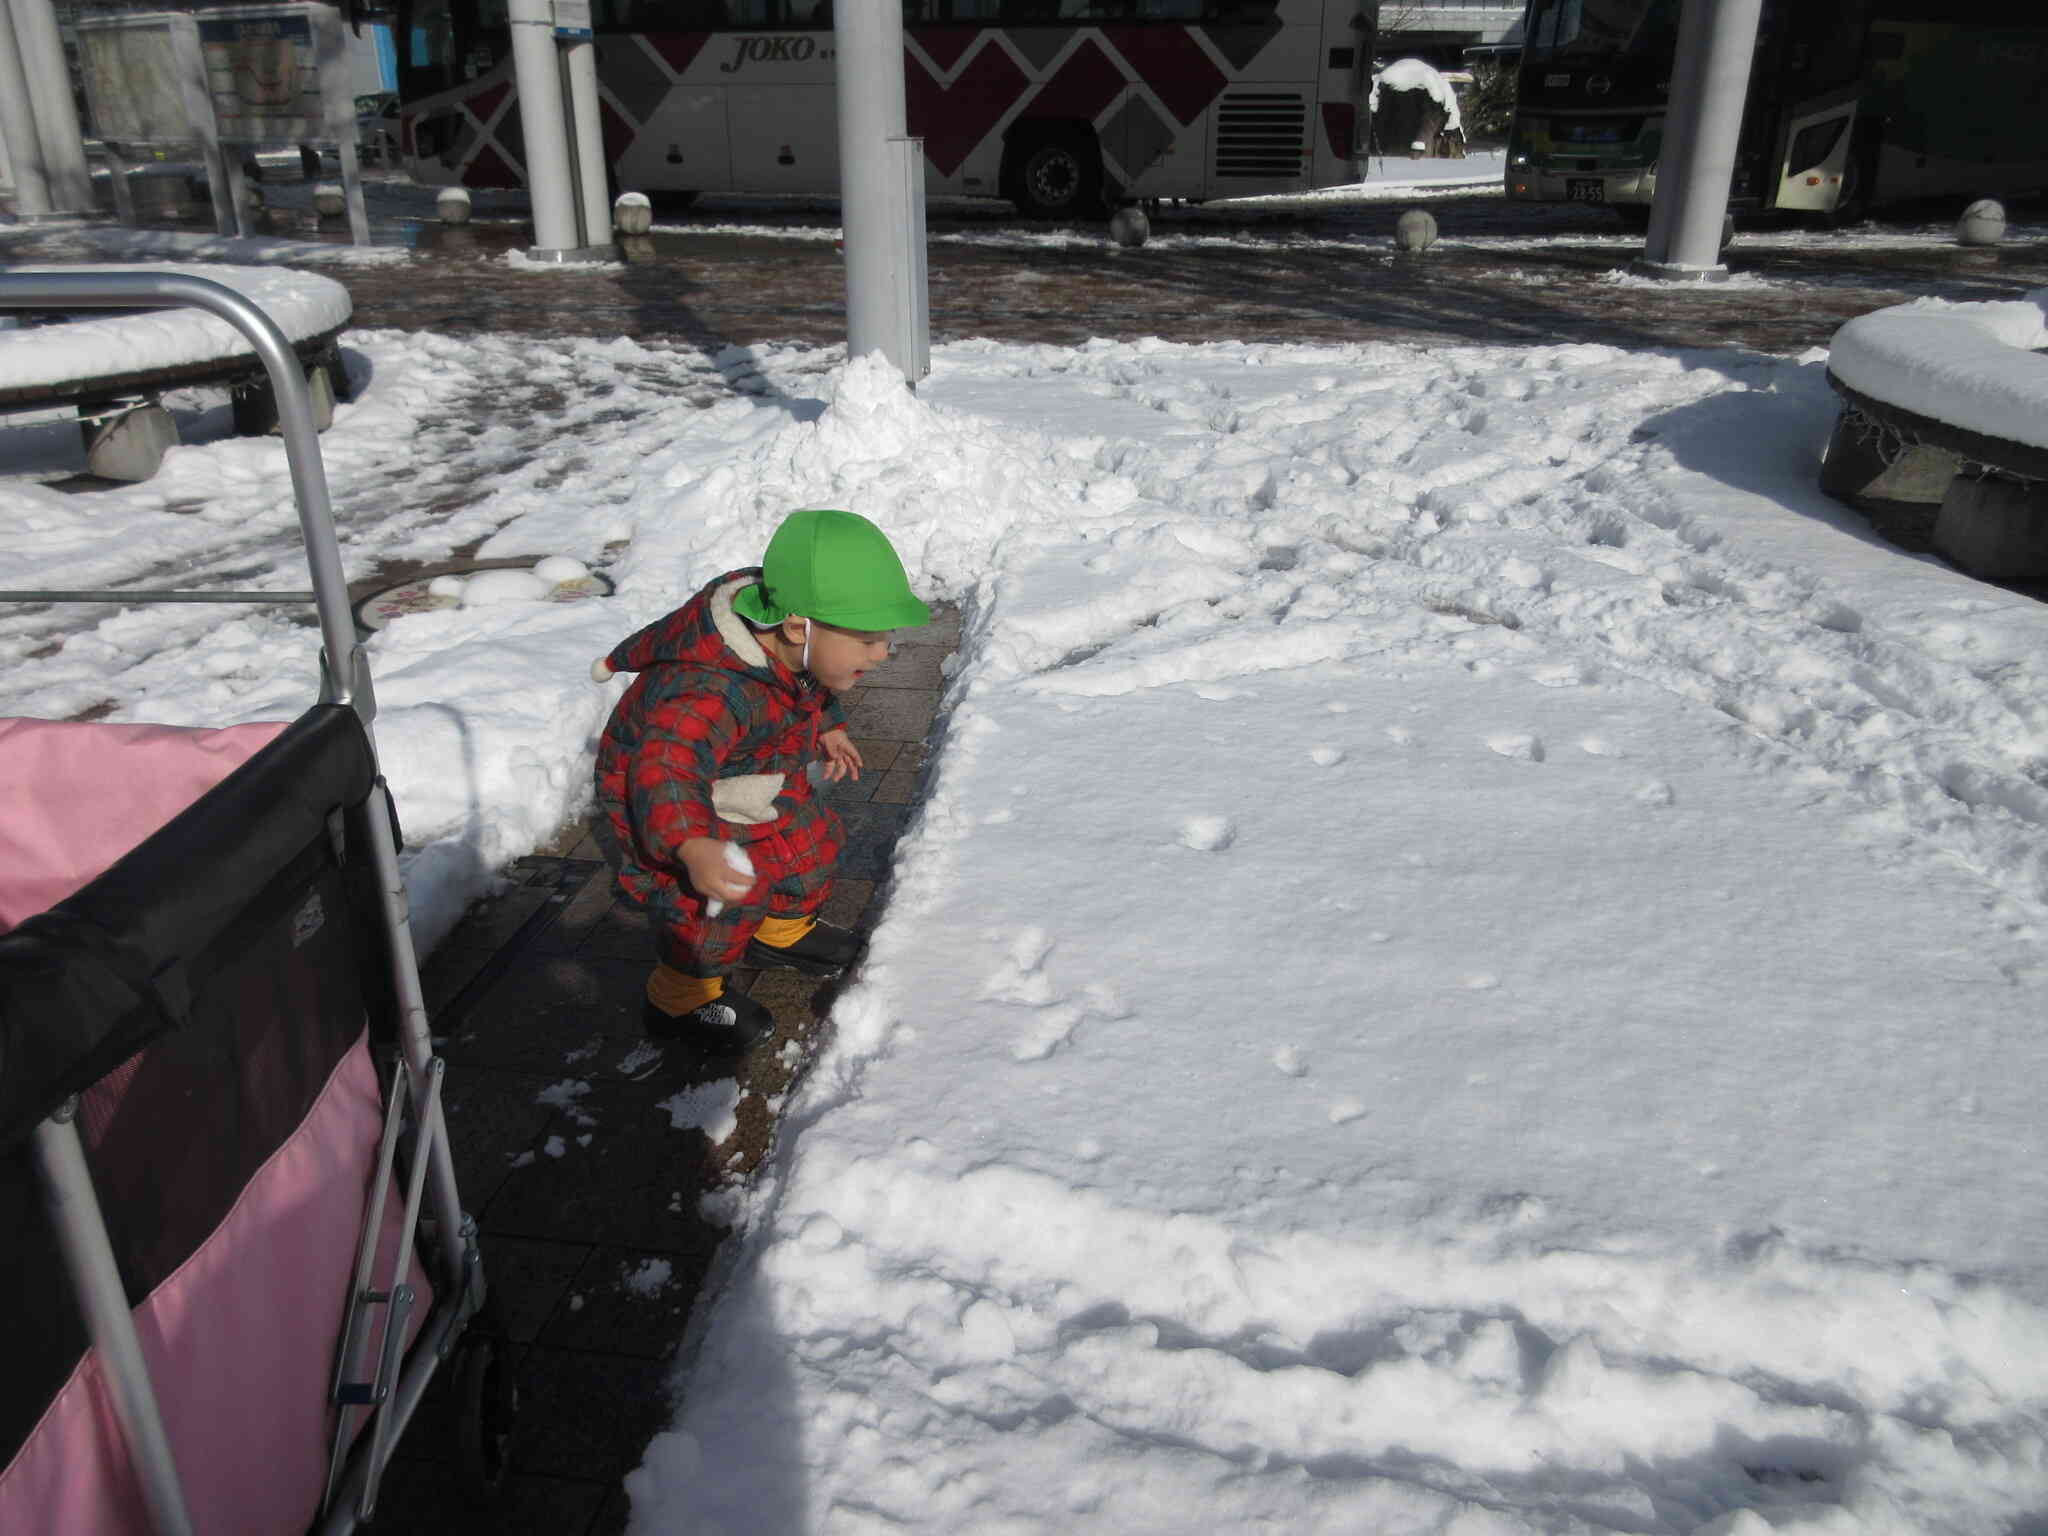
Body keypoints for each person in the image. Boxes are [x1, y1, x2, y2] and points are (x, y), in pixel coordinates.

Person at [591, 508, 931, 1050]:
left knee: (810, 844)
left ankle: (781, 934)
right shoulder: (708, 688)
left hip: (753, 770)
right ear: (800, 625)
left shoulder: (790, 646)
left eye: (885, 638)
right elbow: (667, 765)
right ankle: (680, 999)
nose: (883, 652)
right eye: (868, 639)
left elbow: (806, 687)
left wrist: (829, 725)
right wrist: (693, 844)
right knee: (718, 902)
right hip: (676, 800)